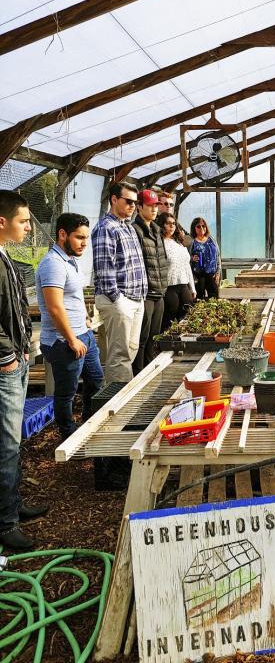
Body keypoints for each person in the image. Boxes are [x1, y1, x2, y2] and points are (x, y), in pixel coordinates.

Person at [0, 191, 48, 551]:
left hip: (16, 359)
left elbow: (14, 309)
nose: (29, 227)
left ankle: (13, 506)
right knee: (6, 444)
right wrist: (8, 357)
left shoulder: (6, 256)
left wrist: (25, 349)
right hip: (5, 366)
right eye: (23, 220)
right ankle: (5, 523)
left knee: (12, 440)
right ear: (2, 222)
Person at [36, 213, 104, 441]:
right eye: (79, 237)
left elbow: (73, 297)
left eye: (86, 238)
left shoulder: (70, 260)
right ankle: (69, 437)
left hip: (83, 334)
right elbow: (55, 307)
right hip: (63, 341)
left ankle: (88, 426)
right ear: (62, 234)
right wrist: (72, 339)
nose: (84, 243)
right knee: (66, 393)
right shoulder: (52, 264)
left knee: (95, 381)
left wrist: (85, 318)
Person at [92, 182, 147, 384]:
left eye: (135, 202)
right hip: (118, 300)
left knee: (130, 349)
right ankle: (116, 402)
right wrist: (118, 299)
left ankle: (118, 391)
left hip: (135, 298)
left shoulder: (128, 227)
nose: (133, 206)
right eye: (128, 201)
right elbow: (105, 268)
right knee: (119, 355)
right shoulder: (106, 227)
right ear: (114, 199)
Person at [132, 190, 168, 375]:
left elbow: (162, 259)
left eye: (156, 206)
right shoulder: (135, 230)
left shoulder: (156, 230)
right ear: (139, 207)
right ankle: (138, 373)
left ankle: (149, 370)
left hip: (159, 293)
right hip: (145, 294)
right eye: (149, 206)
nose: (154, 209)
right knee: (141, 338)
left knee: (154, 336)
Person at [157, 212, 196, 331]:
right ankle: (163, 346)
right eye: (168, 223)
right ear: (162, 225)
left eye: (173, 223)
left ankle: (181, 346)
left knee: (186, 317)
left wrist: (192, 288)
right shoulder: (159, 243)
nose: (172, 226)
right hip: (169, 287)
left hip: (184, 285)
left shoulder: (179, 243)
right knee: (168, 320)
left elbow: (187, 266)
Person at [189, 217, 221, 300]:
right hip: (198, 277)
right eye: (198, 226)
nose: (201, 228)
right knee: (199, 300)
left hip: (212, 275)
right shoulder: (191, 242)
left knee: (214, 300)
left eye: (203, 226)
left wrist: (218, 273)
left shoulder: (211, 239)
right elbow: (185, 259)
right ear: (194, 228)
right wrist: (191, 258)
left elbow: (218, 257)